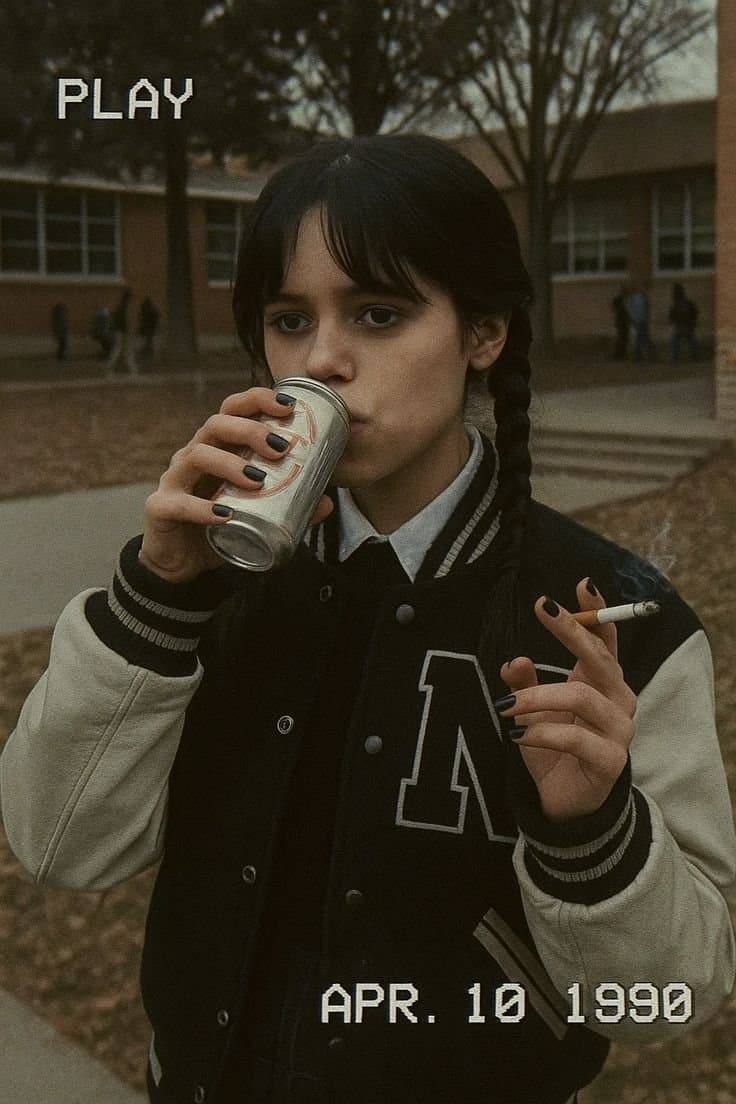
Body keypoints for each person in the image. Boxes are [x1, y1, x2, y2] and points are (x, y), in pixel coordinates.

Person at [1, 136, 734, 1104]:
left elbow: (668, 1004)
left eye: (378, 313)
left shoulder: (604, 616)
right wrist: (155, 600)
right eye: (288, 319)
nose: (323, 361)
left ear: (483, 334)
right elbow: (59, 849)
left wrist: (588, 830)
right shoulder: (205, 577)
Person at [107, 288, 139, 375]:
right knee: (126, 350)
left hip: (119, 331)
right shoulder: (127, 307)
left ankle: (111, 366)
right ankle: (132, 368)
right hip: (124, 331)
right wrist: (131, 331)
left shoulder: (120, 306)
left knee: (118, 349)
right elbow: (128, 320)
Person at [669, 282, 700, 363]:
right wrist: (693, 322)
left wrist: (672, 321)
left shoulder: (676, 303)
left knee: (675, 342)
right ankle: (696, 356)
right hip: (687, 325)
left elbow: (672, 315)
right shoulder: (687, 302)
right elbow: (695, 312)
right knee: (691, 341)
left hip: (681, 325)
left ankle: (674, 358)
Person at [626, 283, 657, 362]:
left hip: (639, 322)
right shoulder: (639, 298)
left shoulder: (635, 299)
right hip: (641, 321)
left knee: (641, 339)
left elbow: (632, 312)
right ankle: (648, 355)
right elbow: (645, 310)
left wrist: (634, 321)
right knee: (643, 339)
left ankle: (641, 356)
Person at [138, 295, 161, 361]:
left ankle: (146, 354)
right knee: (149, 342)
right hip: (150, 329)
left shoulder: (145, 309)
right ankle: (148, 354)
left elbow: (141, 319)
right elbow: (157, 316)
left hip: (146, 329)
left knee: (147, 342)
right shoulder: (152, 309)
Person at [610, 285, 629, 359]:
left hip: (623, 322)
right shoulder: (619, 300)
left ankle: (621, 354)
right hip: (621, 322)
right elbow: (616, 309)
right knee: (621, 338)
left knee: (623, 338)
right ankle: (619, 354)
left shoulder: (623, 300)